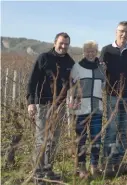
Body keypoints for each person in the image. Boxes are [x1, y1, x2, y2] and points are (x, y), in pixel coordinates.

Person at [26, 32, 75, 184]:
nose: (63, 46)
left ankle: (48, 169)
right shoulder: (44, 58)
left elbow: (73, 83)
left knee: (54, 139)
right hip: (42, 104)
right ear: (55, 43)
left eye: (66, 44)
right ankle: (38, 173)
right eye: (61, 43)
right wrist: (31, 102)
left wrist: (73, 95)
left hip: (59, 106)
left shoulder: (70, 62)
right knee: (42, 139)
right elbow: (32, 81)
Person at [99, 21, 127, 176]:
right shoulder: (106, 50)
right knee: (112, 128)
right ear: (116, 32)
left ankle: (119, 162)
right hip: (113, 95)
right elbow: (101, 70)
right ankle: (107, 162)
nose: (124, 34)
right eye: (122, 31)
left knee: (124, 130)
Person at [68, 41, 105, 179]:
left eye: (93, 51)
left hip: (96, 108)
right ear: (84, 52)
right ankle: (82, 166)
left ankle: (94, 166)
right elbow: (70, 86)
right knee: (81, 139)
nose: (90, 53)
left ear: (96, 52)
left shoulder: (101, 68)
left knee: (96, 138)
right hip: (80, 109)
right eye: (88, 51)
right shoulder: (76, 67)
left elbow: (104, 85)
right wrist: (71, 102)